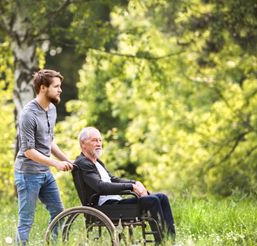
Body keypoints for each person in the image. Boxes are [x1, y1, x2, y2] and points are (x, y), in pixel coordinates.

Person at [74, 127, 176, 243]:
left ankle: (171, 241)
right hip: (103, 208)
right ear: (83, 144)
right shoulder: (82, 163)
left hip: (114, 203)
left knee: (162, 197)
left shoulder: (97, 162)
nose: (99, 144)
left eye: (100, 140)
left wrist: (135, 183)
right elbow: (100, 187)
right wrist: (130, 187)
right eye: (94, 140)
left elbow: (113, 180)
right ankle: (162, 243)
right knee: (152, 200)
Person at [14, 69, 73, 245]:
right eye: (56, 86)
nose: (60, 90)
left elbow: (49, 142)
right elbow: (28, 151)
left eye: (60, 86)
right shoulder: (28, 114)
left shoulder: (52, 109)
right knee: (26, 222)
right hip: (27, 174)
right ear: (42, 88)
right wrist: (56, 164)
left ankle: (52, 243)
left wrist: (67, 160)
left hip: (44, 172)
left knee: (59, 213)